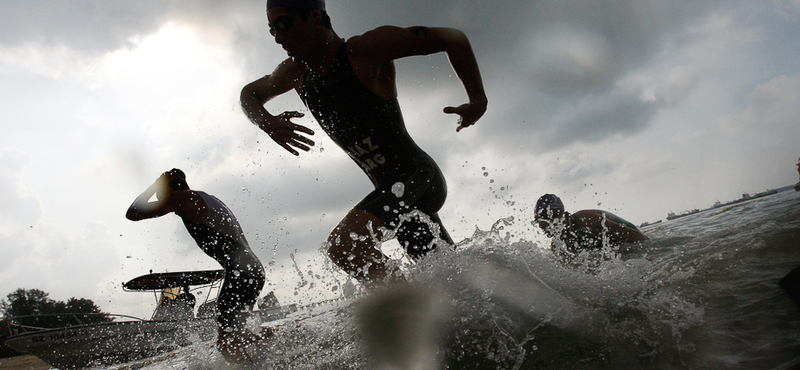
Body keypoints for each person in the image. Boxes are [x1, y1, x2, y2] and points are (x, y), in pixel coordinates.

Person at [240, 0, 488, 283]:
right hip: (392, 196)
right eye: (272, 30)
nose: (278, 37)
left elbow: (452, 39)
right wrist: (267, 123)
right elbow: (249, 94)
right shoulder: (296, 73)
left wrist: (477, 99)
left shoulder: (364, 50)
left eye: (283, 25)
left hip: (419, 179)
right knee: (453, 285)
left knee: (345, 246)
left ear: (313, 16)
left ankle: (407, 314)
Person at [126, 169, 266, 361]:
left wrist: (155, 185)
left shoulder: (182, 198)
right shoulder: (208, 199)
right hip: (252, 270)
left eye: (162, 198)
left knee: (227, 344)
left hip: (240, 272)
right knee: (238, 334)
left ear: (168, 192)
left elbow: (133, 212)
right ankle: (287, 348)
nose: (170, 210)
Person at [534, 194, 648, 260]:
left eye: (543, 219)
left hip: (632, 242)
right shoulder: (557, 246)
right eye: (537, 220)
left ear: (559, 215)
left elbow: (641, 240)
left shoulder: (587, 220)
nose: (540, 225)